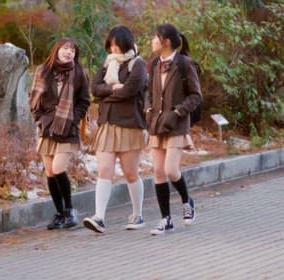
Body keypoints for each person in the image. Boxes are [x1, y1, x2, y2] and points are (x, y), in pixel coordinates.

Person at [82, 25, 148, 233]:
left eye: (117, 45)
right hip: (107, 123)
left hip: (130, 125)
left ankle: (137, 214)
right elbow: (95, 88)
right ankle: (99, 217)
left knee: (130, 173)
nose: (114, 49)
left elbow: (130, 90)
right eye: (111, 45)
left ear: (127, 44)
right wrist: (112, 89)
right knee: (104, 170)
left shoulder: (138, 64)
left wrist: (106, 94)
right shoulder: (107, 63)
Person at [145, 23, 202, 235]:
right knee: (158, 172)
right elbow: (149, 92)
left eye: (155, 37)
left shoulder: (185, 64)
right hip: (157, 124)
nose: (152, 41)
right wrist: (148, 110)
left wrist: (178, 112)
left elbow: (196, 96)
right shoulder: (153, 64)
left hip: (177, 125)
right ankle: (165, 219)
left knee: (170, 170)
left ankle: (187, 201)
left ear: (166, 41)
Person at [29, 37, 91, 230]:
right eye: (65, 48)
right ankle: (59, 213)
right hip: (47, 128)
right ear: (56, 50)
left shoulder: (79, 73)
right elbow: (34, 99)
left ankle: (70, 210)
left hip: (67, 129)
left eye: (72, 50)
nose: (69, 52)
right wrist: (40, 120)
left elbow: (84, 100)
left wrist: (74, 118)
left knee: (58, 168)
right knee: (49, 172)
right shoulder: (43, 71)